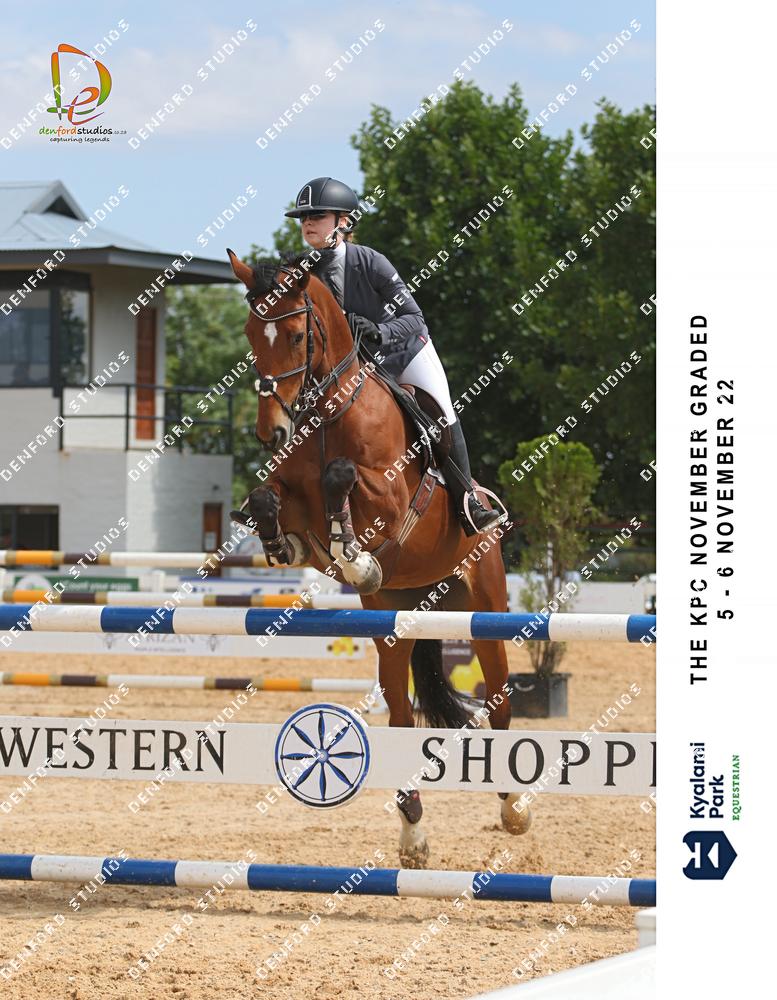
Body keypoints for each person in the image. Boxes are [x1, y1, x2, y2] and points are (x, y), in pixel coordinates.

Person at [285, 176, 505, 534]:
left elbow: (415, 318)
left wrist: (379, 330)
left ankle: (469, 503)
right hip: (358, 365)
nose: (308, 223)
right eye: (304, 217)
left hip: (405, 352)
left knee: (443, 412)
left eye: (318, 215)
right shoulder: (304, 272)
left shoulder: (372, 262)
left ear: (343, 221)